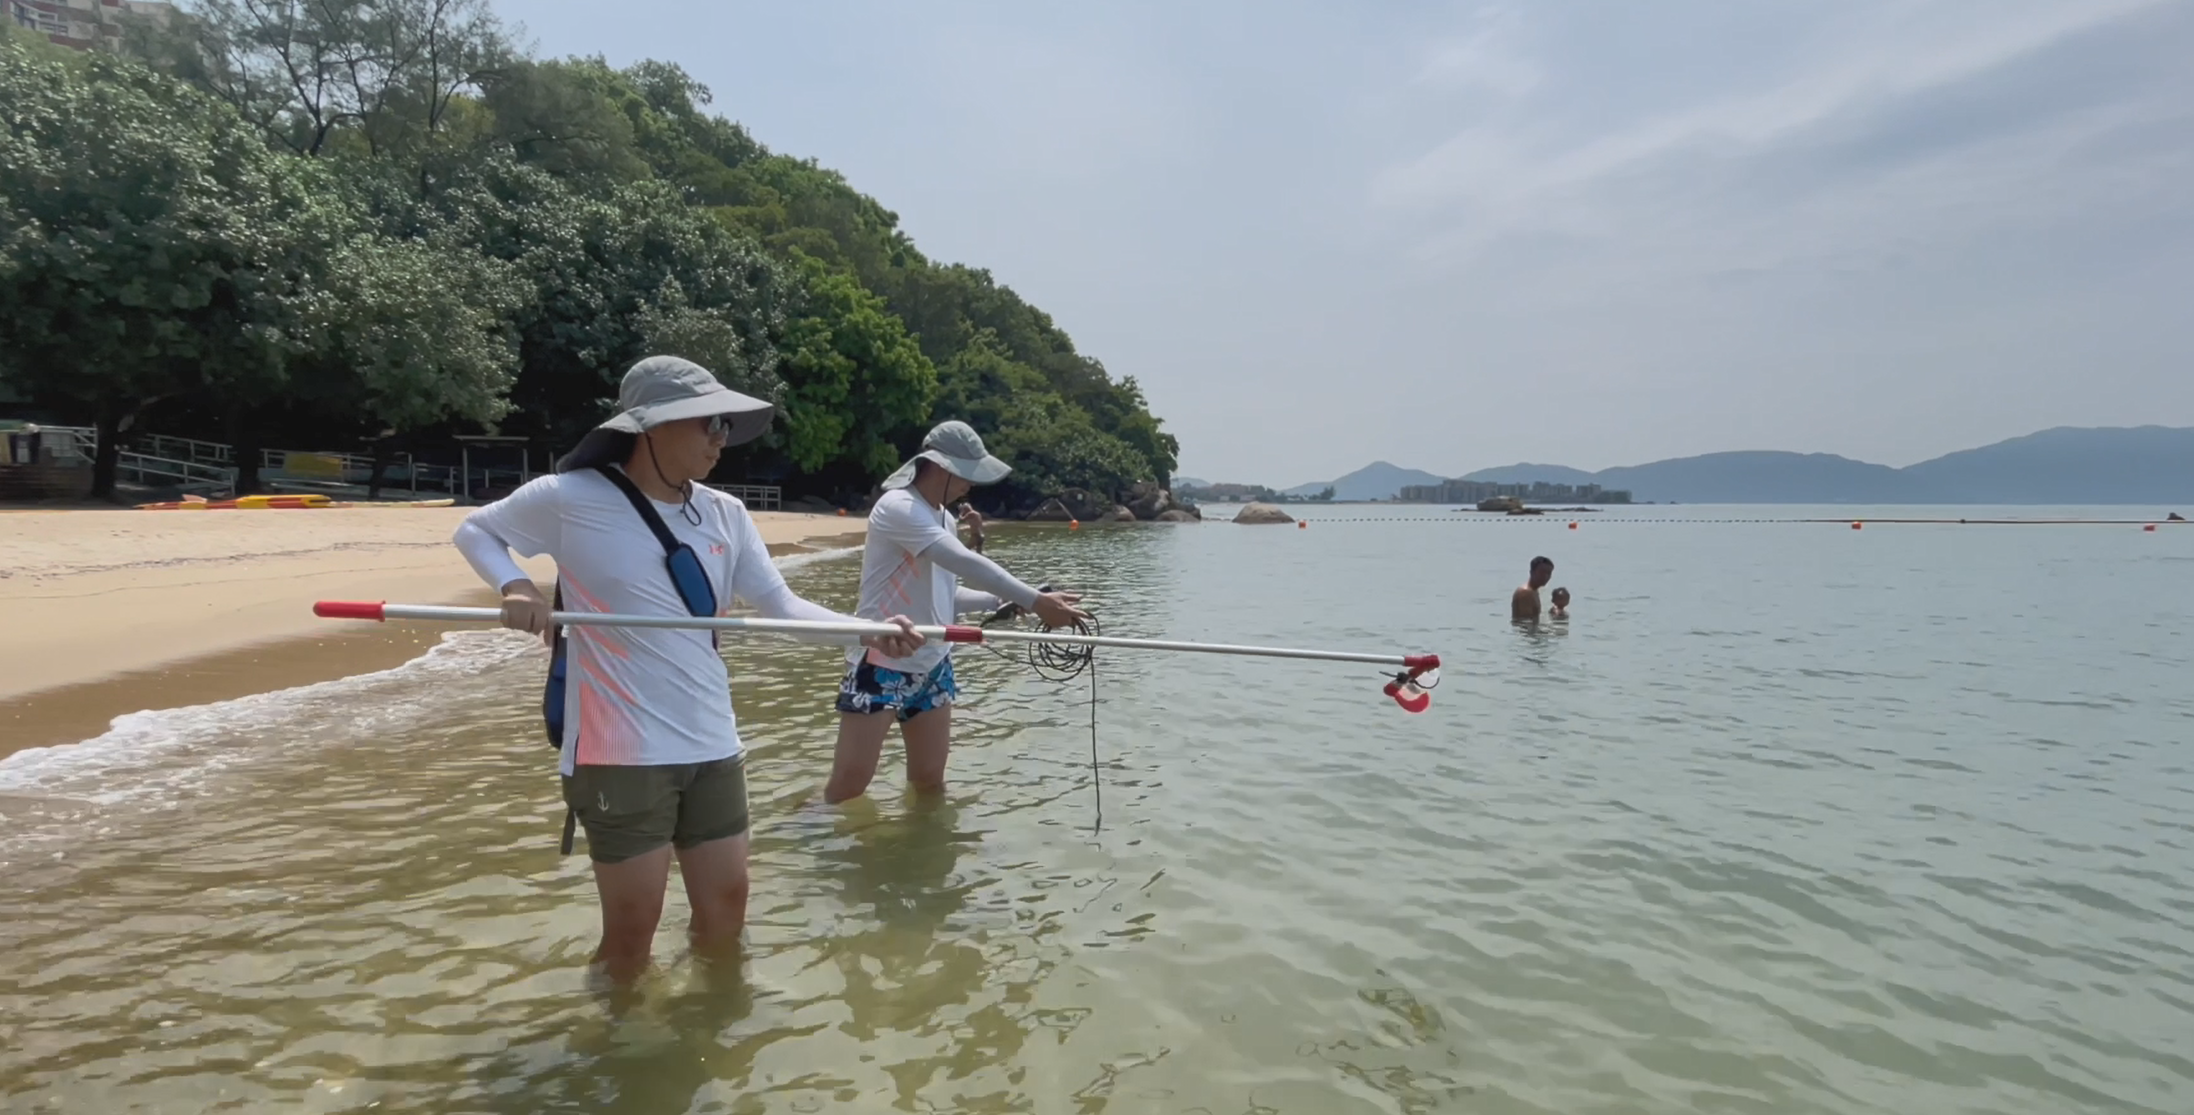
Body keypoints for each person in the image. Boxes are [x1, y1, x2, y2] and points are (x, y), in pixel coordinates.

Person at [452, 355, 924, 984]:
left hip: (712, 742)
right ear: (650, 426)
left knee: (727, 909)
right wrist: (516, 587)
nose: (720, 439)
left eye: (725, 425)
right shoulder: (569, 497)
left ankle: (710, 1030)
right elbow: (475, 531)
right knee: (631, 932)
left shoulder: (726, 513)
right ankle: (615, 1051)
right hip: (619, 752)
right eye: (707, 424)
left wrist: (868, 631)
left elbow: (780, 605)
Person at [824, 420, 1088, 804]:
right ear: (939, 466)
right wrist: (1035, 600)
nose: (971, 485)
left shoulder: (944, 518)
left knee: (930, 782)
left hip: (933, 663)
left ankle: (925, 860)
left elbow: (946, 593)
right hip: (882, 659)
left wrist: (1000, 602)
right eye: (966, 474)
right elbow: (964, 561)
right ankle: (804, 836)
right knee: (849, 787)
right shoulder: (898, 507)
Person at [1512, 555, 1554, 621]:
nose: (1545, 576)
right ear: (1532, 572)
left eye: (1548, 573)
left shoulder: (1533, 591)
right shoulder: (1525, 592)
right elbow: (1525, 623)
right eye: (1542, 572)